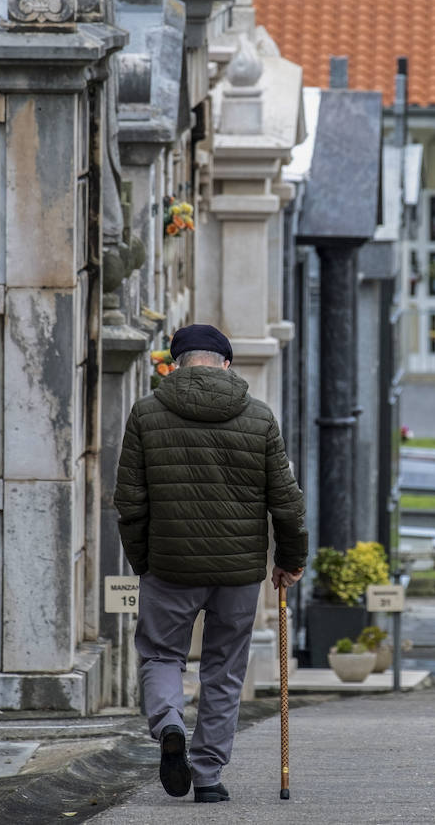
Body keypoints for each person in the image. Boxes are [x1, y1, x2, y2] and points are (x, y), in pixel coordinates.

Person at [115, 324, 308, 804]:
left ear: (176, 363)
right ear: (225, 363)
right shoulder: (259, 417)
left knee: (161, 655)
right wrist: (289, 559)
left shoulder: (146, 414)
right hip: (239, 572)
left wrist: (144, 561)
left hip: (169, 563)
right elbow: (286, 502)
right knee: (223, 669)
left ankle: (170, 725)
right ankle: (207, 776)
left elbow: (129, 502)